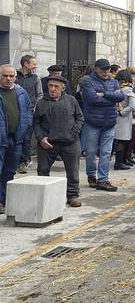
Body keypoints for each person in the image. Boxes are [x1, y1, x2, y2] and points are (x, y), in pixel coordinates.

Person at [34, 75, 84, 208]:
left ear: (63, 88)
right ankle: (43, 196)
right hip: (48, 143)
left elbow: (80, 118)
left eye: (56, 86)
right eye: (50, 86)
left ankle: (73, 195)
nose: (52, 89)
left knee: (73, 171)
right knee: (43, 170)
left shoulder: (71, 100)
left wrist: (73, 133)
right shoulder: (41, 102)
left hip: (70, 142)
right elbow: (36, 123)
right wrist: (41, 138)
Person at [80, 59, 124, 192]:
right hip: (92, 122)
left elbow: (121, 96)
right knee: (91, 152)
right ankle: (92, 176)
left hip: (109, 122)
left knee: (106, 153)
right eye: (103, 69)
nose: (106, 72)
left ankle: (103, 180)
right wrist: (111, 99)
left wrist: (104, 94)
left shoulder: (113, 81)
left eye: (108, 69)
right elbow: (92, 99)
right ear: (96, 68)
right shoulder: (87, 81)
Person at [0, 65, 33, 214]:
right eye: (5, 75)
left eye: (11, 76)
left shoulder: (21, 92)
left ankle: (4, 200)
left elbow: (28, 110)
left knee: (10, 171)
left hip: (16, 139)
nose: (8, 79)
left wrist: (26, 128)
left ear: (15, 77)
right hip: (1, 139)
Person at [15, 55, 42, 174]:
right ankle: (14, 160)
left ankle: (24, 162)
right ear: (26, 64)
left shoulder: (36, 78)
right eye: (34, 63)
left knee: (26, 137)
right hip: (14, 110)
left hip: (28, 111)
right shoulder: (14, 76)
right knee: (14, 136)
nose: (36, 66)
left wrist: (34, 108)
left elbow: (39, 95)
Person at [113, 70, 135, 170]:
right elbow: (132, 105)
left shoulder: (118, 89)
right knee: (122, 141)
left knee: (123, 140)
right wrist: (122, 112)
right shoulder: (128, 90)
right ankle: (119, 162)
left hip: (120, 117)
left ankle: (122, 160)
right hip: (124, 117)